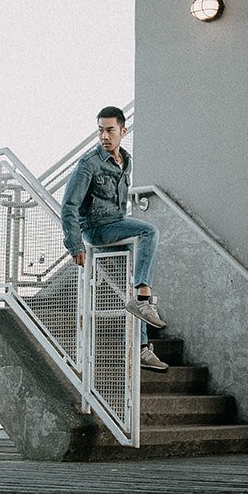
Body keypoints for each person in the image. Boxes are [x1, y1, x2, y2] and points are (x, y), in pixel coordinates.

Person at [59, 105, 171, 372]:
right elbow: (69, 206)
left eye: (110, 130)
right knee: (149, 231)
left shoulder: (126, 160)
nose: (104, 136)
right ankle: (144, 299)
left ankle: (142, 348)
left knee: (131, 284)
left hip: (117, 226)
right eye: (100, 131)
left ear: (123, 130)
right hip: (97, 229)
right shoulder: (89, 163)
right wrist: (75, 245)